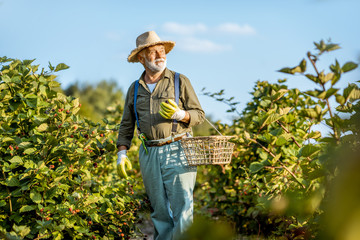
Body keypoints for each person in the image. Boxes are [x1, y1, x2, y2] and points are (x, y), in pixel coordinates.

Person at [116, 31, 205, 240]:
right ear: (141, 58)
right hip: (149, 153)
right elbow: (126, 125)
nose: (160, 55)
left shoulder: (179, 81)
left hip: (179, 149)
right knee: (159, 211)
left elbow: (199, 115)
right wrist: (122, 153)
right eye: (153, 52)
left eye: (162, 51)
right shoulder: (135, 89)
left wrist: (182, 115)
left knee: (183, 207)